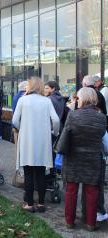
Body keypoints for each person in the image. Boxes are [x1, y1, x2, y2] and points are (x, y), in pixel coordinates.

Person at [56, 87, 106, 231]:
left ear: (83, 99)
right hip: (93, 159)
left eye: (78, 98)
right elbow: (102, 135)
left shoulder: (72, 116)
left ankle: (69, 222)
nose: (76, 101)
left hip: (73, 158)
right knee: (92, 191)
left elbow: (66, 135)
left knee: (71, 190)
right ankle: (91, 223)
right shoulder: (101, 117)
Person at [12, 77, 59, 213]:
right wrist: (54, 133)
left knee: (28, 173)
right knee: (40, 173)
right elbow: (55, 120)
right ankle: (41, 203)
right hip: (43, 141)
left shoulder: (23, 100)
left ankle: (29, 203)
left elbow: (15, 120)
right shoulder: (46, 101)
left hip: (27, 140)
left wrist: (23, 129)